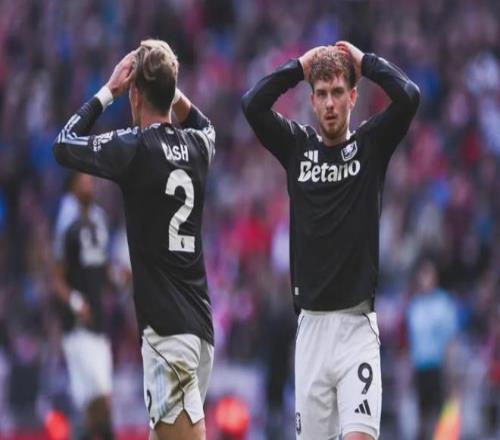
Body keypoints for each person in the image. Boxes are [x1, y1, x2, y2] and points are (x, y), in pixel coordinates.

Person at [242, 41, 420, 439]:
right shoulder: (297, 147)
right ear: (311, 100)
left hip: (357, 328)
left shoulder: (370, 145)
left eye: (338, 92)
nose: (329, 104)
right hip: (311, 331)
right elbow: (252, 105)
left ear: (353, 97)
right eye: (321, 94)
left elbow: (409, 97)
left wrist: (365, 62)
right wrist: (298, 67)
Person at [53, 39, 216, 440]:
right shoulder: (198, 145)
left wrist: (108, 91)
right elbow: (205, 125)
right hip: (200, 330)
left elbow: (64, 144)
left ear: (136, 94)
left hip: (167, 332)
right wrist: (168, 84)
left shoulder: (135, 147)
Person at [53, 172, 114, 440]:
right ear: (74, 187)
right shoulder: (66, 223)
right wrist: (77, 303)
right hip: (79, 327)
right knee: (102, 398)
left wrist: (119, 278)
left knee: (94, 407)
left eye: (92, 180)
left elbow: (103, 268)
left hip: (99, 323)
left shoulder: (100, 220)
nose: (90, 184)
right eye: (85, 181)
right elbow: (57, 278)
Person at [406, 259, 459, 440]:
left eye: (428, 274)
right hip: (420, 368)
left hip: (438, 367)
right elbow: (412, 342)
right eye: (423, 275)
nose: (425, 279)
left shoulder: (443, 303)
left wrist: (451, 373)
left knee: (440, 417)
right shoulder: (415, 305)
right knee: (421, 417)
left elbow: (450, 341)